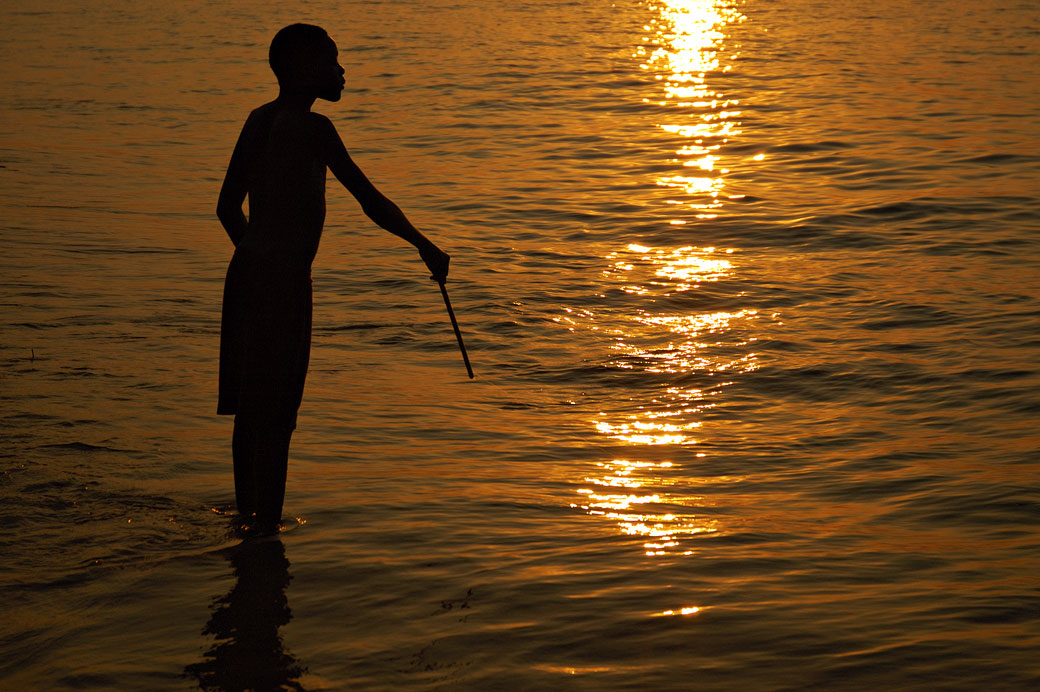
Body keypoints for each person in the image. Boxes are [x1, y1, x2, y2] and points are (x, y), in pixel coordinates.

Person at [216, 23, 450, 534]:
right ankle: (266, 533)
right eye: (332, 62)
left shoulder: (258, 119)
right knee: (277, 416)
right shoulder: (315, 129)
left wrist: (257, 257)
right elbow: (371, 202)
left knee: (250, 414)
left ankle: (246, 526)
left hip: (246, 276)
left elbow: (226, 208)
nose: (342, 72)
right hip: (281, 284)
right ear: (302, 70)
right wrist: (424, 245)